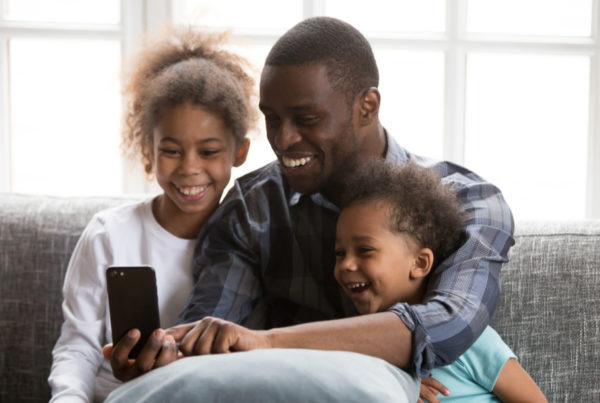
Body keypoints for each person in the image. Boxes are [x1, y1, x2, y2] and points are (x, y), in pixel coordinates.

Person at [104, 16, 514, 402]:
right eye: (271, 118)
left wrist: (267, 341)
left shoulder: (467, 202)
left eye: (306, 118)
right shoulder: (251, 209)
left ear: (367, 106)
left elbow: (444, 326)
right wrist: (164, 356)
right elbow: (213, 334)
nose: (282, 139)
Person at [48, 25, 254, 402]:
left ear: (239, 152)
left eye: (208, 152)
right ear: (149, 151)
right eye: (172, 151)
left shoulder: (249, 242)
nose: (190, 168)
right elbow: (78, 347)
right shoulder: (109, 234)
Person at [334, 160, 546, 403]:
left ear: (420, 263)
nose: (346, 265)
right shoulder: (360, 351)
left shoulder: (470, 341)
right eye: (340, 253)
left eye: (364, 250)